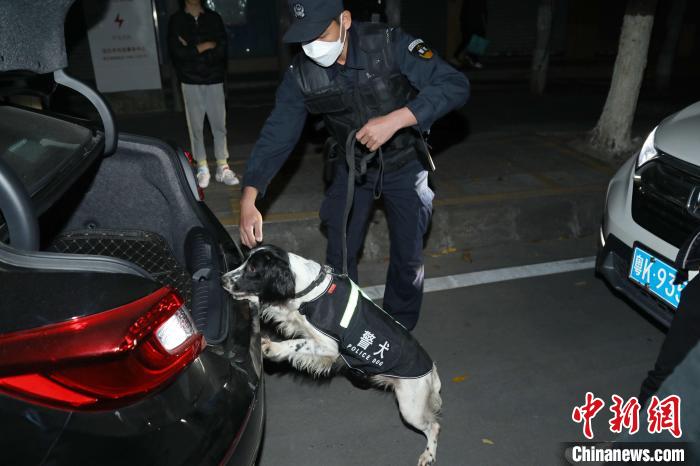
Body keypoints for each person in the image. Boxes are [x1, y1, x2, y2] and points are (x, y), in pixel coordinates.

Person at [239, 0, 469, 330]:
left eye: (322, 33)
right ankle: (351, 330)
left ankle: (397, 331)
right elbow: (277, 133)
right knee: (341, 255)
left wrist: (397, 120)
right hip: (353, 168)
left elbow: (454, 85)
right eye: (305, 38)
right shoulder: (302, 73)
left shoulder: (388, 44)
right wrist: (250, 198)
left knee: (408, 256)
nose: (313, 46)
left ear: (345, 20)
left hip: (405, 163)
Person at [168, 0, 239, 188]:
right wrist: (205, 46)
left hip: (214, 78)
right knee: (196, 127)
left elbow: (222, 48)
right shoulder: (177, 20)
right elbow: (177, 53)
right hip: (190, 80)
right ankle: (202, 167)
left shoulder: (213, 18)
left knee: (219, 124)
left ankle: (222, 166)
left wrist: (192, 48)